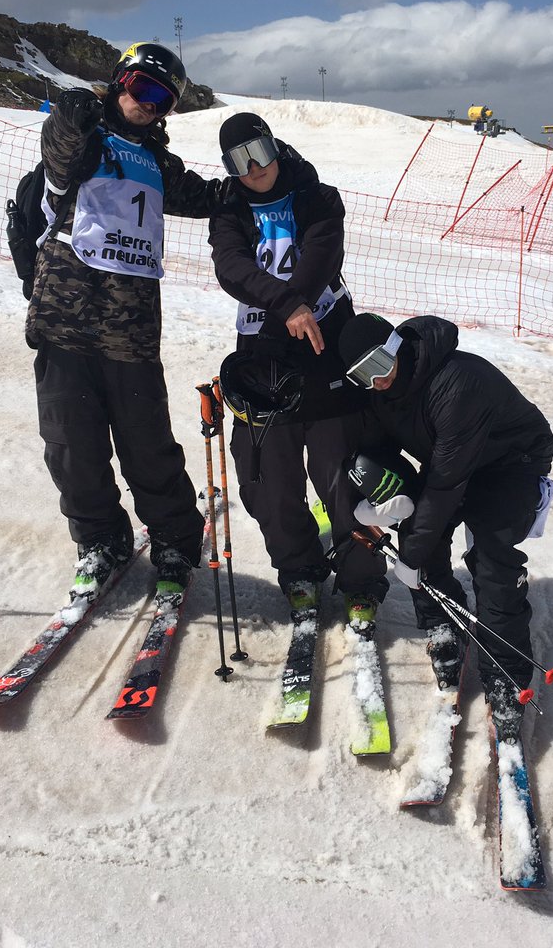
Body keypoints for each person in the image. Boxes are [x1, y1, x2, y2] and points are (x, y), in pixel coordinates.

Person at [26, 42, 220, 607]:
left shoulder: (158, 161)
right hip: (65, 320)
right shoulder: (86, 137)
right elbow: (60, 157)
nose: (150, 103)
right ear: (118, 83)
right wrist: (69, 115)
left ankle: (177, 541)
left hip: (131, 329)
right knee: (71, 446)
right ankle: (101, 541)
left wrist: (265, 183)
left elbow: (205, 196)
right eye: (142, 87)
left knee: (148, 445)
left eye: (164, 99)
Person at [209, 112, 387, 629]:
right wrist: (284, 305)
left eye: (259, 154)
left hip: (325, 349)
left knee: (343, 474)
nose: (253, 169)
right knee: (266, 479)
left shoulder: (317, 195)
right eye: (238, 162)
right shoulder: (230, 207)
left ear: (275, 147)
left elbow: (320, 258)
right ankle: (300, 570)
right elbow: (231, 267)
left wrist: (297, 304)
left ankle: (360, 580)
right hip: (263, 356)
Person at [337, 312, 553, 727]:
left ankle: (507, 673)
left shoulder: (458, 383)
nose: (376, 382)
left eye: (379, 367)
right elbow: (376, 450)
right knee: (415, 523)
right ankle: (443, 620)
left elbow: (444, 487)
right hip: (449, 464)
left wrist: (412, 556)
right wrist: (368, 502)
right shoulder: (381, 394)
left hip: (511, 461)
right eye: (363, 376)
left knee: (490, 558)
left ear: (395, 347)